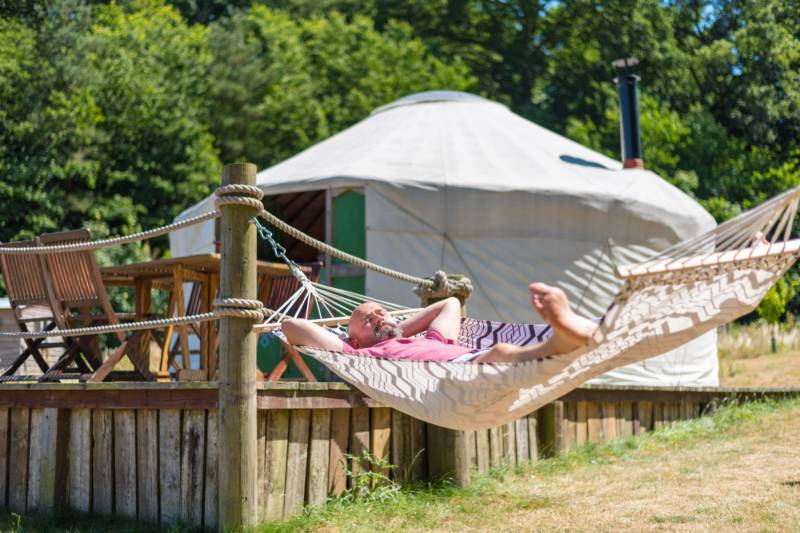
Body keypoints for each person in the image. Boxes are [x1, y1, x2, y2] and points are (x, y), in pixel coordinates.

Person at [282, 282, 598, 363]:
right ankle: (566, 338)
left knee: (502, 352)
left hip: (466, 359)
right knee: (500, 351)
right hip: (464, 370)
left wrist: (396, 328)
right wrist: (376, 337)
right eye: (367, 319)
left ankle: (568, 335)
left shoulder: (432, 341)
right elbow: (291, 326)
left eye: (381, 311)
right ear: (354, 341)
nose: (378, 315)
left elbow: (450, 303)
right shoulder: (362, 354)